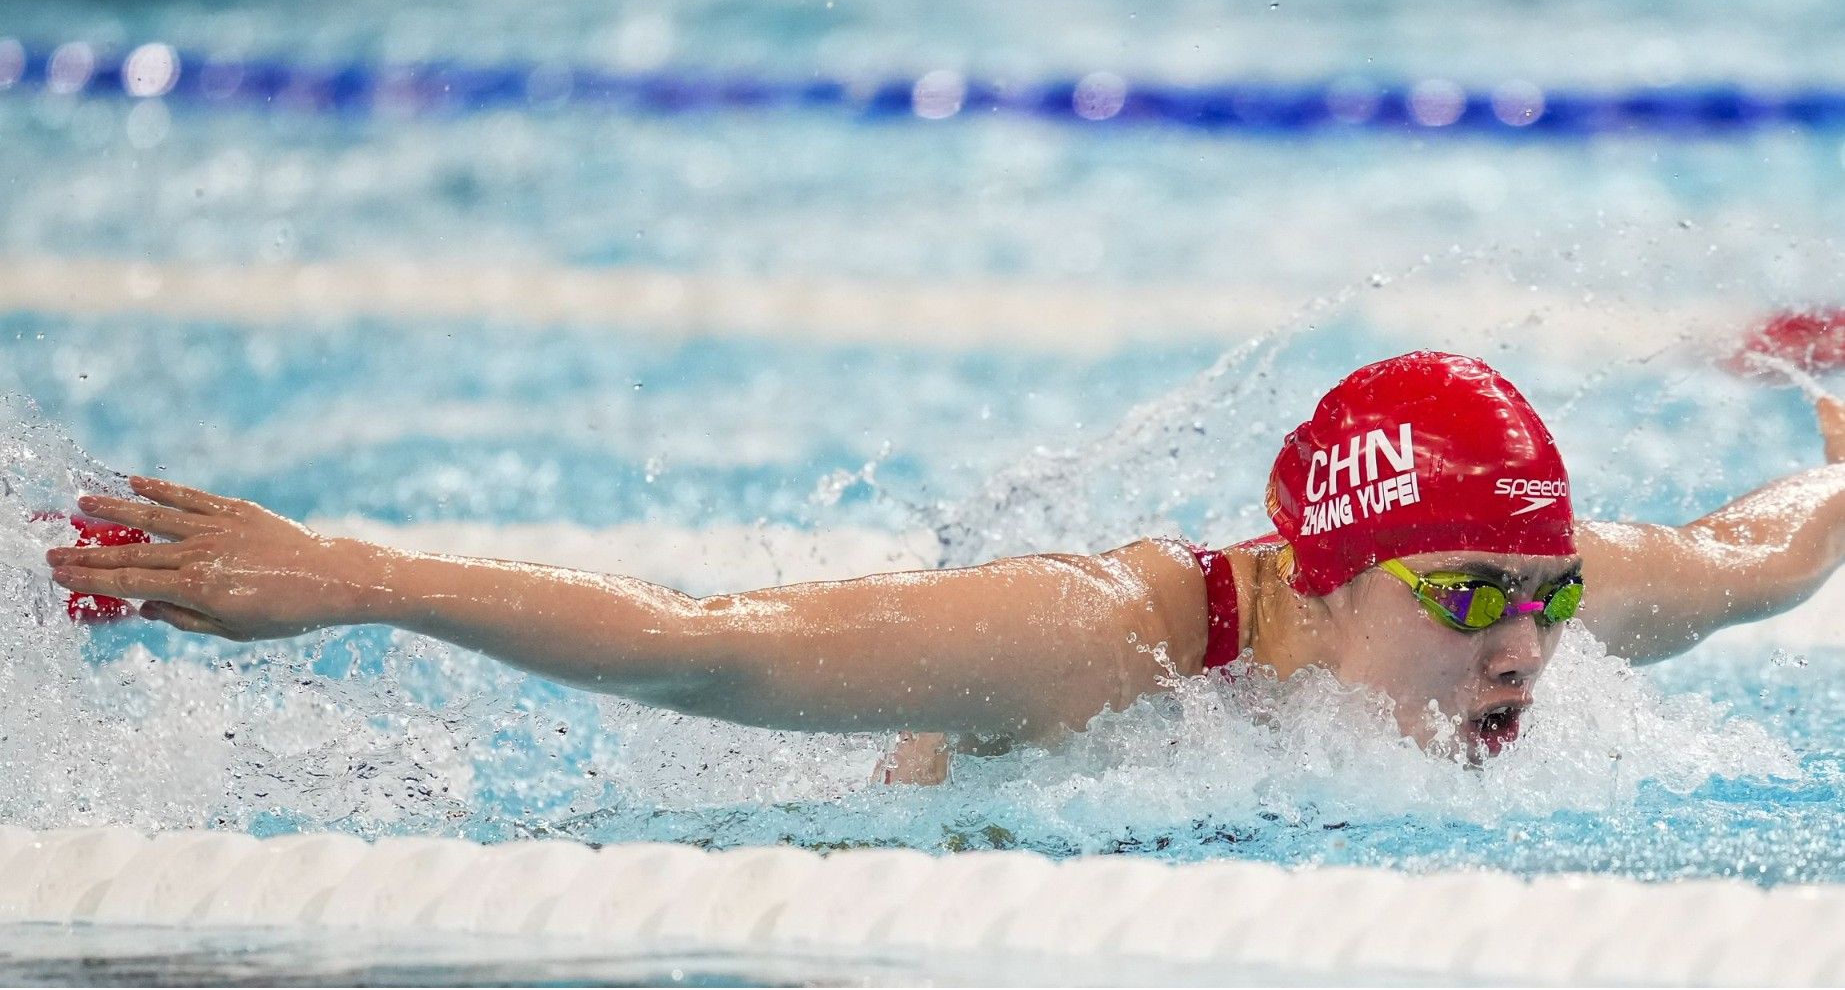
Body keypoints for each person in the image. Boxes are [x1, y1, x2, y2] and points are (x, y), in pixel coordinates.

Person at [42, 351, 1845, 781]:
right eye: (1466, 594)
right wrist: (355, 573)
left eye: (1541, 593)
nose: (1526, 637)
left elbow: (1752, 553)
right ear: (1317, 568)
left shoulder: (1529, 584)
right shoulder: (1091, 646)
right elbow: (713, 649)